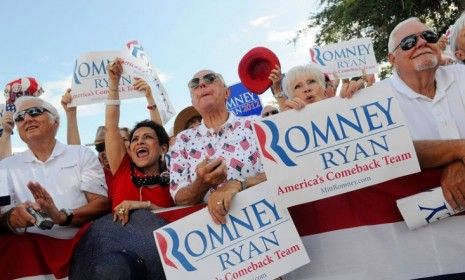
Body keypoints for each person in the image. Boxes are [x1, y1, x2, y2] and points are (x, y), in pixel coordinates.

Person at [70, 58, 173, 280]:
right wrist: (113, 84)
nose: (139, 142)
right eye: (134, 139)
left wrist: (143, 206)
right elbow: (111, 126)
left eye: (147, 138)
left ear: (164, 147)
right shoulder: (122, 168)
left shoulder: (176, 179)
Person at [0, 96, 108, 238]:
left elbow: (100, 204)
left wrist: (61, 216)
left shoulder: (82, 154)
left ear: (55, 122)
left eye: (34, 112)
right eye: (19, 117)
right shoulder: (4, 167)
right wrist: (11, 218)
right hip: (27, 248)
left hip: (81, 245)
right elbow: (2, 215)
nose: (26, 118)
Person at [169, 69, 266, 224]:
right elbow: (179, 198)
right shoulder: (182, 141)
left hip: (265, 221)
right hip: (213, 236)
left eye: (210, 79)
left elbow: (280, 171)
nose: (201, 84)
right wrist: (202, 183)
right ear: (193, 103)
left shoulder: (256, 125)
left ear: (227, 92)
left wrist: (238, 184)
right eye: (195, 84)